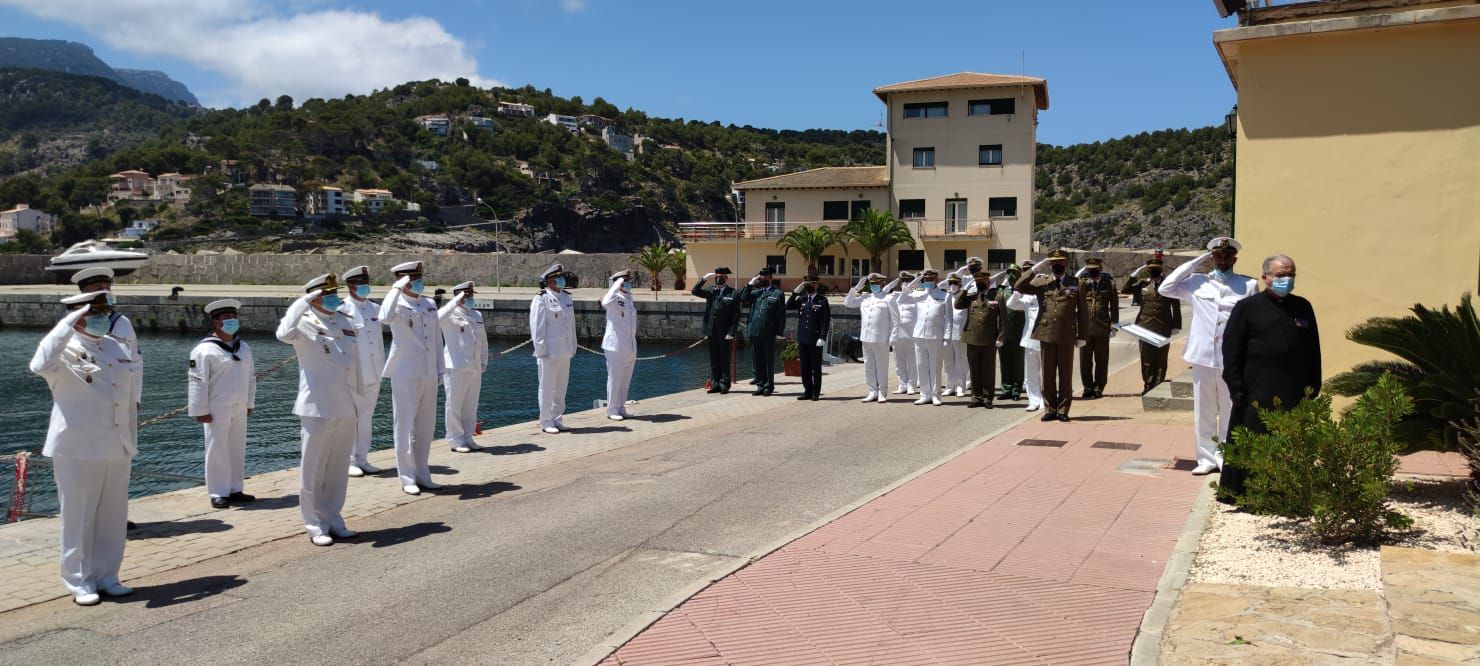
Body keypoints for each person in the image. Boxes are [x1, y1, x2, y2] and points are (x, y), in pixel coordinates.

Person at [30, 291, 139, 605]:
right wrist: (67, 323)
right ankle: (79, 581)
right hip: (77, 446)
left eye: (106, 310)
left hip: (117, 444)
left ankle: (108, 576)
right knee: (78, 516)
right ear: (76, 316)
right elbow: (38, 364)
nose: (103, 316)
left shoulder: (116, 347)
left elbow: (127, 395)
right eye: (95, 311)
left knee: (113, 516)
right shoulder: (63, 351)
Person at [1221, 254, 1321, 500]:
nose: (1286, 279)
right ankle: (1249, 494)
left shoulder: (1303, 306)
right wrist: (1236, 388)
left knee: (1289, 442)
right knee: (1253, 442)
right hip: (1256, 391)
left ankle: (1287, 493)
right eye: (1280, 275)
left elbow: (1313, 349)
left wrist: (1313, 385)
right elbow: (1231, 350)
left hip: (1293, 390)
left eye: (1291, 275)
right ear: (1265, 278)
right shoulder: (1247, 307)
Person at [1159, 237, 1259, 474]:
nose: (1223, 260)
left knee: (1228, 408)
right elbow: (1165, 288)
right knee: (1203, 410)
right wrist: (1196, 262)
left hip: (1231, 359)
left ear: (1235, 258)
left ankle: (1225, 456)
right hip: (1202, 356)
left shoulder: (1248, 285)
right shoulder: (1196, 282)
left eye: (1227, 256)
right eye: (1217, 256)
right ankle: (1205, 458)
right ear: (1212, 258)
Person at [276, 274, 362, 546]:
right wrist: (303, 302)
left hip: (345, 404)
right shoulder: (302, 323)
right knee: (313, 469)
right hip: (316, 406)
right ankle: (314, 525)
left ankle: (334, 518)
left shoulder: (344, 321)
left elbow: (355, 364)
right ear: (315, 297)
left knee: (337, 468)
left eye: (335, 293)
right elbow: (282, 334)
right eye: (328, 294)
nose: (335, 298)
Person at [379, 261, 445, 493]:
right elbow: (384, 318)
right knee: (404, 426)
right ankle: (406, 478)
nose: (418, 282)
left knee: (426, 426)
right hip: (405, 372)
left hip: (428, 371)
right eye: (412, 279)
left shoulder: (428, 304)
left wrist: (440, 369)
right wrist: (396, 289)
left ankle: (422, 473)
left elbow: (437, 339)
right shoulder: (395, 303)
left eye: (419, 278)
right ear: (402, 280)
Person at [188, 299, 256, 509]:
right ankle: (218, 491)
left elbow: (251, 376)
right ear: (216, 322)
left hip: (239, 405)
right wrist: (200, 410)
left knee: (237, 447)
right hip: (216, 407)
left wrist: (249, 403)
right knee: (217, 449)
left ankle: (235, 488)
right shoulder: (204, 350)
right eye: (227, 318)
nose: (232, 321)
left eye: (234, 317)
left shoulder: (243, 347)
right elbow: (197, 381)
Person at [1015, 250, 1088, 422]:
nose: (1057, 266)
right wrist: (1037, 268)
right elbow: (1019, 286)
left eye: (1060, 262)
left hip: (1066, 335)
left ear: (1065, 264)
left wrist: (1082, 335)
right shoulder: (1042, 282)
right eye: (1054, 263)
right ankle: (1050, 408)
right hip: (1046, 334)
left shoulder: (1076, 283)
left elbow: (1083, 313)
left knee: (1065, 374)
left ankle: (1063, 409)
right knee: (1047, 374)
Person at [339, 265, 386, 478]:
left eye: (366, 283)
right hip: (354, 374)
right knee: (351, 418)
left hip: (374, 372)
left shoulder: (374, 309)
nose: (364, 287)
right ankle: (348, 460)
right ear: (349, 286)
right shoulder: (341, 311)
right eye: (359, 284)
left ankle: (363, 458)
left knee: (366, 418)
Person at [1121, 255, 1183, 394]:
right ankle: (1148, 384)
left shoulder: (1168, 285)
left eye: (1156, 269)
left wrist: (1176, 325)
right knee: (1147, 359)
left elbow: (1176, 306)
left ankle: (1159, 385)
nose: (1153, 272)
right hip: (1144, 326)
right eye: (1151, 270)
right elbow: (1125, 290)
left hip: (1163, 326)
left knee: (1161, 359)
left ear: (1161, 270)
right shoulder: (1143, 284)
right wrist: (1134, 274)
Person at [440, 281, 488, 451]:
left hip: (474, 366)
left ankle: (468, 437)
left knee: (471, 405)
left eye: (471, 295)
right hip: (456, 366)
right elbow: (437, 318)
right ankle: (455, 440)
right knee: (454, 405)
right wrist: (454, 301)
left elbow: (482, 340)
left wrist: (483, 360)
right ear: (459, 297)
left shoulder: (476, 315)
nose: (470, 298)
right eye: (466, 295)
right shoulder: (449, 315)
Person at [531, 262, 577, 434]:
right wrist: (541, 350)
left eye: (562, 278)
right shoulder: (541, 299)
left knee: (561, 388)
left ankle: (557, 418)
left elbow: (570, 325)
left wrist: (572, 346)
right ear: (549, 281)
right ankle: (545, 421)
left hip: (564, 350)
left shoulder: (566, 298)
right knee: (547, 387)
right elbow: (537, 327)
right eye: (558, 278)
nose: (562, 281)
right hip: (549, 352)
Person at [956, 268, 1007, 408]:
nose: (980, 283)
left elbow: (1003, 320)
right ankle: (976, 397)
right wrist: (965, 290)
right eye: (977, 281)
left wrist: (1001, 337)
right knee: (974, 369)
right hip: (972, 338)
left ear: (988, 281)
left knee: (988, 369)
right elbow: (957, 305)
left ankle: (987, 398)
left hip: (989, 339)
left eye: (982, 281)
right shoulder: (971, 296)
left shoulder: (997, 296)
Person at [898, 269, 950, 406]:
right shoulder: (918, 294)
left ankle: (935, 394)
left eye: (930, 280)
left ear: (936, 280)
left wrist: (946, 337)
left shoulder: (944, 295)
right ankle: (924, 394)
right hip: (919, 335)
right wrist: (917, 280)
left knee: (935, 366)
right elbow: (901, 298)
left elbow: (948, 319)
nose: (928, 282)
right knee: (921, 365)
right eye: (926, 280)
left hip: (936, 336)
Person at [843, 272, 895, 403]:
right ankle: (872, 391)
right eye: (872, 284)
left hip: (881, 338)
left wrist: (893, 337)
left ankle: (882, 392)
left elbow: (895, 320)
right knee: (869, 365)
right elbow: (847, 303)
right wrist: (856, 289)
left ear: (882, 283)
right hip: (866, 337)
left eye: (876, 283)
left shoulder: (888, 298)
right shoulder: (865, 298)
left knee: (881, 366)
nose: (874, 286)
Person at [691, 266, 741, 394]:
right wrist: (704, 279)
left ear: (726, 278)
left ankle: (725, 384)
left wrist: (732, 332)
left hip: (725, 332)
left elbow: (736, 315)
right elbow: (695, 291)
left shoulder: (733, 293)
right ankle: (715, 384)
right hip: (711, 330)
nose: (718, 279)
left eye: (721, 277)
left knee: (724, 359)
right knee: (714, 359)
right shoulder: (711, 291)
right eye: (717, 277)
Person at [738, 267, 786, 396]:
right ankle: (760, 385)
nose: (762, 279)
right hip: (754, 330)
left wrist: (779, 331)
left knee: (768, 360)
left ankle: (768, 386)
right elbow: (742, 298)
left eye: (764, 277)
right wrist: (751, 283)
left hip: (768, 332)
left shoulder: (777, 294)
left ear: (770, 277)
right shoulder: (756, 292)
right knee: (757, 360)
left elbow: (781, 315)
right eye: (760, 277)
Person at [1077, 257, 1120, 400]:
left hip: (1102, 327)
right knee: (1085, 360)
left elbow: (1114, 306)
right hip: (1085, 328)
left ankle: (1099, 387)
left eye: (1095, 269)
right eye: (1090, 270)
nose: (1092, 272)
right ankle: (1087, 387)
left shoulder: (1109, 284)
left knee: (1101, 360)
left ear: (1101, 269)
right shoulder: (1082, 284)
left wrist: (1114, 325)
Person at [1006, 262, 1044, 412]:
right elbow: (1010, 304)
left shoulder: (1048, 295)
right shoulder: (1028, 298)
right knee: (1030, 374)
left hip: (1045, 340)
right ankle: (1034, 400)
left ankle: (1045, 400)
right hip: (1029, 341)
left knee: (1047, 374)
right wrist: (1018, 293)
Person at [601, 270, 638, 419]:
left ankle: (621, 407)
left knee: (625, 379)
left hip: (629, 345)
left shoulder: (628, 298)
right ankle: (612, 410)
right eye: (625, 281)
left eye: (629, 281)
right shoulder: (613, 298)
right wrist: (615, 286)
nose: (629, 284)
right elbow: (604, 302)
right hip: (615, 345)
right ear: (619, 283)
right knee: (615, 378)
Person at [786, 274, 830, 400]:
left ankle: (816, 393)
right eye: (806, 285)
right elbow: (788, 306)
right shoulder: (802, 299)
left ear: (816, 285)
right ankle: (807, 391)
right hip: (803, 338)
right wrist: (796, 291)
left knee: (815, 367)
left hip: (815, 339)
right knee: (804, 367)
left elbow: (825, 321)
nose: (809, 287)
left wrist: (822, 337)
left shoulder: (822, 301)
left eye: (810, 284)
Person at [997, 262, 1027, 402]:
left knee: (1017, 362)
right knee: (1005, 361)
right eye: (1009, 272)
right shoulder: (1002, 291)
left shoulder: (1024, 290)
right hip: (1003, 332)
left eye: (1014, 273)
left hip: (1018, 331)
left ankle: (1016, 389)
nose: (1011, 275)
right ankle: (1006, 388)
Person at [887, 272, 919, 394]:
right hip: (897, 334)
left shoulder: (916, 297)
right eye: (903, 281)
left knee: (912, 361)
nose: (905, 283)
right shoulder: (894, 297)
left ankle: (911, 384)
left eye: (908, 281)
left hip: (911, 334)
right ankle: (902, 384)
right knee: (898, 361)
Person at [941, 272, 971, 398]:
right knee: (948, 362)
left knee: (961, 361)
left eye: (955, 283)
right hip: (947, 334)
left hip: (960, 334)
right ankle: (949, 386)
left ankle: (960, 386)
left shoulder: (965, 297)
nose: (952, 285)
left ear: (960, 284)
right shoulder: (946, 297)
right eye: (950, 283)